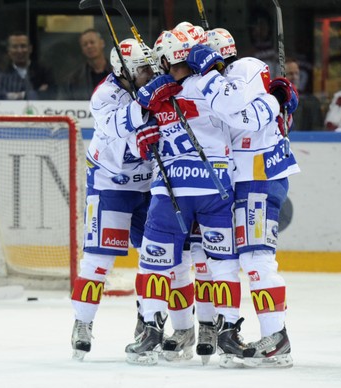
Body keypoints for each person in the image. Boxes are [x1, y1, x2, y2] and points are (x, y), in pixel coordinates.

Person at [186, 27, 300, 368]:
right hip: (246, 179)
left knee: (257, 261)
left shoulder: (244, 69)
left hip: (259, 177)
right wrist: (276, 100)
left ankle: (276, 335)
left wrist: (274, 101)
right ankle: (262, 333)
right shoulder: (223, 81)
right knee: (242, 262)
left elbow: (242, 115)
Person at [123, 29, 238, 366]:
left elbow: (136, 137)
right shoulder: (209, 85)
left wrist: (142, 118)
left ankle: (153, 328)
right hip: (214, 186)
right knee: (219, 265)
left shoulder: (157, 94)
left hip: (171, 189)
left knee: (156, 263)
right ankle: (224, 329)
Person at [70, 38, 156, 361]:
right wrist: (146, 102)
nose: (148, 73)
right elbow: (120, 128)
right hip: (111, 186)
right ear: (123, 71)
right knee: (98, 261)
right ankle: (82, 323)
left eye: (149, 67)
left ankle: (148, 321)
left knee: (154, 259)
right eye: (141, 69)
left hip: (148, 188)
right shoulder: (104, 96)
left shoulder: (149, 85)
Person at [0, 31, 55, 100]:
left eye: (23, 46)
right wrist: (30, 94)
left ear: (30, 49)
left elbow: (49, 95)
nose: (19, 51)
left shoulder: (44, 71)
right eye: (15, 47)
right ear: (9, 50)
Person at [59, 29, 112, 100]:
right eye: (85, 44)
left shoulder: (118, 74)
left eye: (92, 42)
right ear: (82, 50)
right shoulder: (72, 80)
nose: (89, 46)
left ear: (102, 43)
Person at [286, 58, 323, 131]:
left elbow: (317, 131)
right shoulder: (274, 102)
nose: (295, 77)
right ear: (280, 76)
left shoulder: (312, 102)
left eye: (297, 73)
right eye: (290, 74)